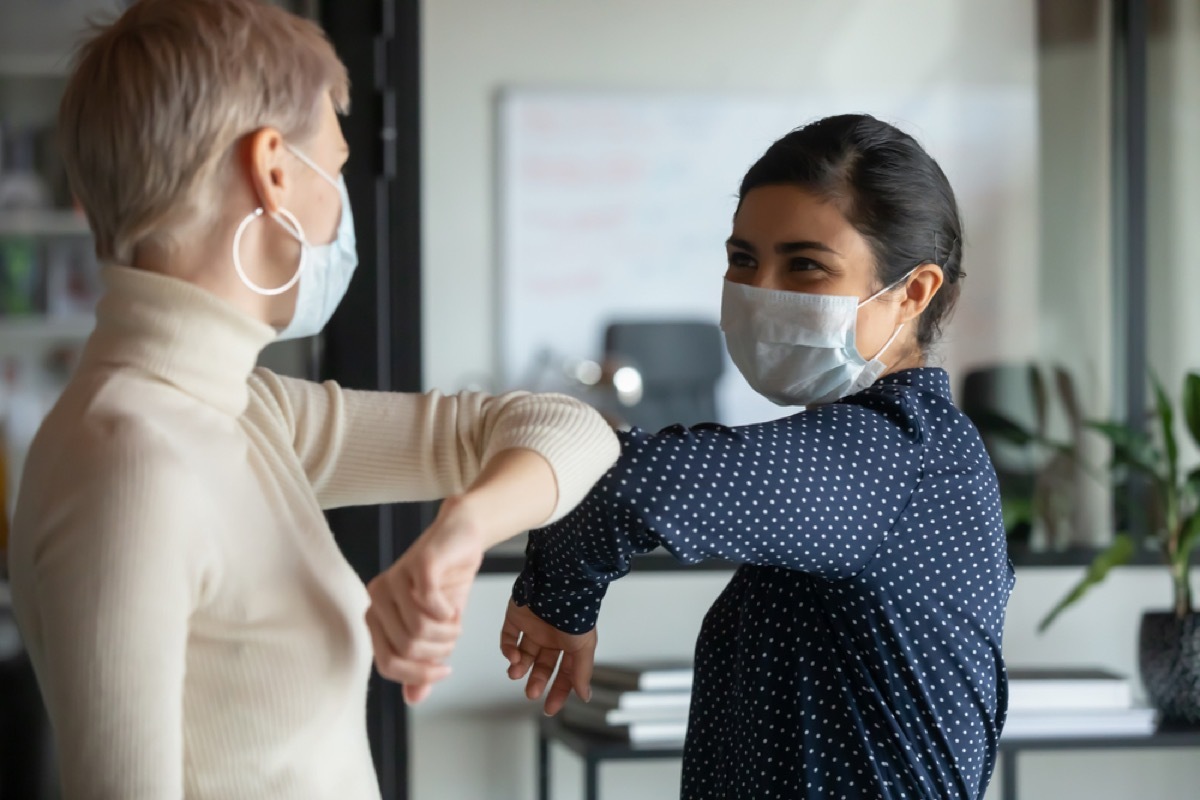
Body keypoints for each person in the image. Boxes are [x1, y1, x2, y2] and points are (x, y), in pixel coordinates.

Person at [5, 1, 619, 798]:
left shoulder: (243, 410)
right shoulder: (130, 457)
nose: (341, 201)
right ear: (272, 170)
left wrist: (460, 532)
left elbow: (573, 429)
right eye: (334, 165)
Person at [398, 114, 1013, 798]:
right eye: (744, 259)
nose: (761, 291)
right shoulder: (899, 450)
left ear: (914, 292)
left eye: (805, 264)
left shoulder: (894, 451)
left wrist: (558, 597)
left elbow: (624, 484)